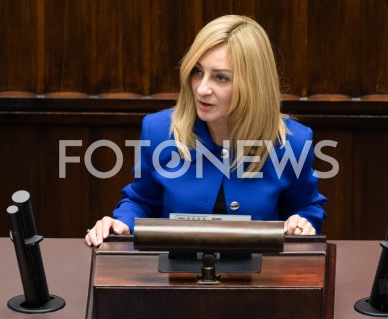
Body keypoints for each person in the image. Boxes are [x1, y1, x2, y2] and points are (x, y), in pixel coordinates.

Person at [85, 15, 327, 247]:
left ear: (253, 85)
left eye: (220, 78)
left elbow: (305, 208)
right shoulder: (159, 131)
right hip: (175, 278)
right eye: (198, 71)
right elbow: (141, 201)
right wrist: (120, 224)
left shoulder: (292, 143)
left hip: (259, 279)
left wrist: (301, 222)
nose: (201, 89)